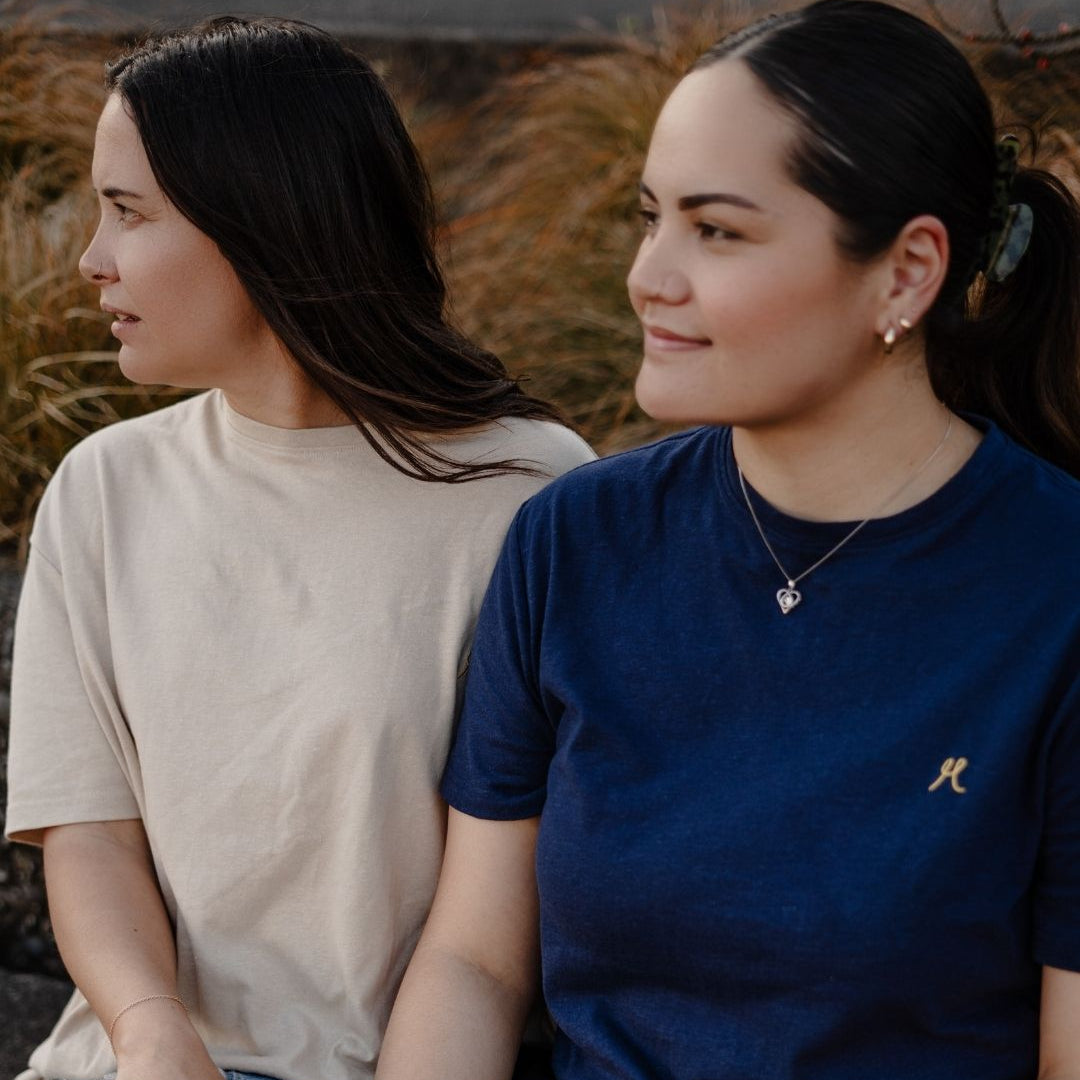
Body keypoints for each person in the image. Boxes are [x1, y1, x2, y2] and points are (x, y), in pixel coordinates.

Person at [374, 2, 1080, 1076]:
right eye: (650, 216)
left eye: (717, 230)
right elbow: (475, 959)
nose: (649, 276)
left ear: (904, 273)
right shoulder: (576, 538)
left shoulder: (1055, 587)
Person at [4, 16, 593, 1080]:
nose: (91, 259)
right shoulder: (104, 487)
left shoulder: (527, 492)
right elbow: (88, 832)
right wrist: (150, 1029)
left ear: (262, 223)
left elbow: (504, 912)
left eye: (126, 213)